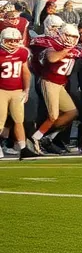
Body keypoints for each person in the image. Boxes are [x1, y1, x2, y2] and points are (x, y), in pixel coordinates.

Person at [0, 27, 36, 159]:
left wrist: (26, 90)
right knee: (0, 120)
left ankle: (23, 148)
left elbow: (25, 72)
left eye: (16, 40)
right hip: (2, 90)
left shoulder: (22, 52)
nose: (13, 43)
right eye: (10, 40)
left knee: (18, 120)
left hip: (16, 90)